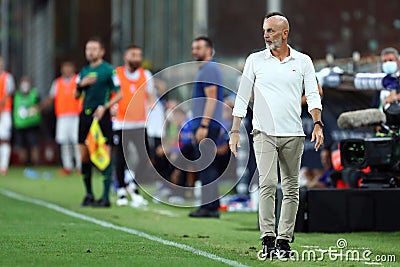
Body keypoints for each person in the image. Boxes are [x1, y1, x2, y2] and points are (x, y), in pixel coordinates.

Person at [229, 14, 323, 258]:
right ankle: (267, 238)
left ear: (285, 33)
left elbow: (313, 94)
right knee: (268, 183)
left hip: (294, 133)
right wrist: (235, 129)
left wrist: (317, 123)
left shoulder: (303, 61)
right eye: (264, 30)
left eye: (271, 30)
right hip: (263, 132)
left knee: (291, 188)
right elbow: (242, 95)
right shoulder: (254, 60)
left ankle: (284, 241)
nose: (265, 34)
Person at [75, 37, 122, 207]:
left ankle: (105, 197)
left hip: (102, 116)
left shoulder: (109, 70)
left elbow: (119, 93)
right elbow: (76, 95)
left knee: (104, 154)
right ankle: (89, 194)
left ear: (101, 51)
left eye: (94, 48)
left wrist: (105, 106)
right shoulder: (84, 71)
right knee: (84, 155)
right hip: (85, 116)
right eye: (88, 48)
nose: (90, 52)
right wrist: (81, 85)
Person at [113, 45, 153, 207]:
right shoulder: (116, 74)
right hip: (121, 123)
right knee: (120, 157)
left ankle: (132, 182)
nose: (137, 58)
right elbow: (112, 94)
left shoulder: (146, 75)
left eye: (139, 55)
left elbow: (150, 97)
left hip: (139, 123)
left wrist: (151, 107)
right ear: (126, 56)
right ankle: (121, 190)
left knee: (144, 156)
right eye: (133, 55)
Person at [188, 36, 224, 218]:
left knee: (206, 166)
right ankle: (212, 205)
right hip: (208, 124)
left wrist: (203, 125)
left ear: (209, 49)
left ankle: (208, 207)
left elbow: (212, 98)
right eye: (194, 48)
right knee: (207, 165)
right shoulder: (207, 69)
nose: (195, 51)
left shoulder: (209, 69)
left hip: (207, 125)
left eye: (199, 48)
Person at [44, 61, 82, 175]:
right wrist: (40, 107)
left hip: (75, 115)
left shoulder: (78, 80)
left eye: (69, 68)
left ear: (73, 69)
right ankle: (67, 166)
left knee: (77, 142)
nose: (67, 70)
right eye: (65, 68)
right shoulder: (57, 83)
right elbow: (51, 97)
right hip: (62, 116)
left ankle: (80, 166)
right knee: (64, 142)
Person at [13, 77, 42, 165]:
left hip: (32, 124)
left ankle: (36, 164)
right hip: (20, 125)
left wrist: (36, 109)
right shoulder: (16, 95)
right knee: (21, 147)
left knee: (34, 146)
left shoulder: (34, 94)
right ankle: (24, 166)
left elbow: (40, 105)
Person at [0, 56, 15, 175]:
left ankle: (4, 166)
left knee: (4, 139)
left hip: (4, 112)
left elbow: (6, 96)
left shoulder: (8, 78)